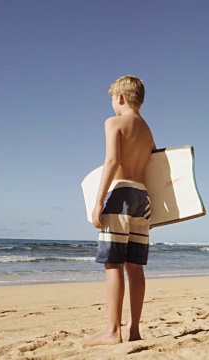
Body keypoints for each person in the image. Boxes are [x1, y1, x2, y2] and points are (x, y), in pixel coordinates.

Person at [85, 75, 156, 346]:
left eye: (113, 99)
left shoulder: (113, 122)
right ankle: (133, 329)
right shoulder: (147, 130)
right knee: (135, 266)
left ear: (121, 98)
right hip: (143, 198)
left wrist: (98, 201)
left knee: (113, 264)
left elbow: (112, 160)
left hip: (121, 195)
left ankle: (113, 331)